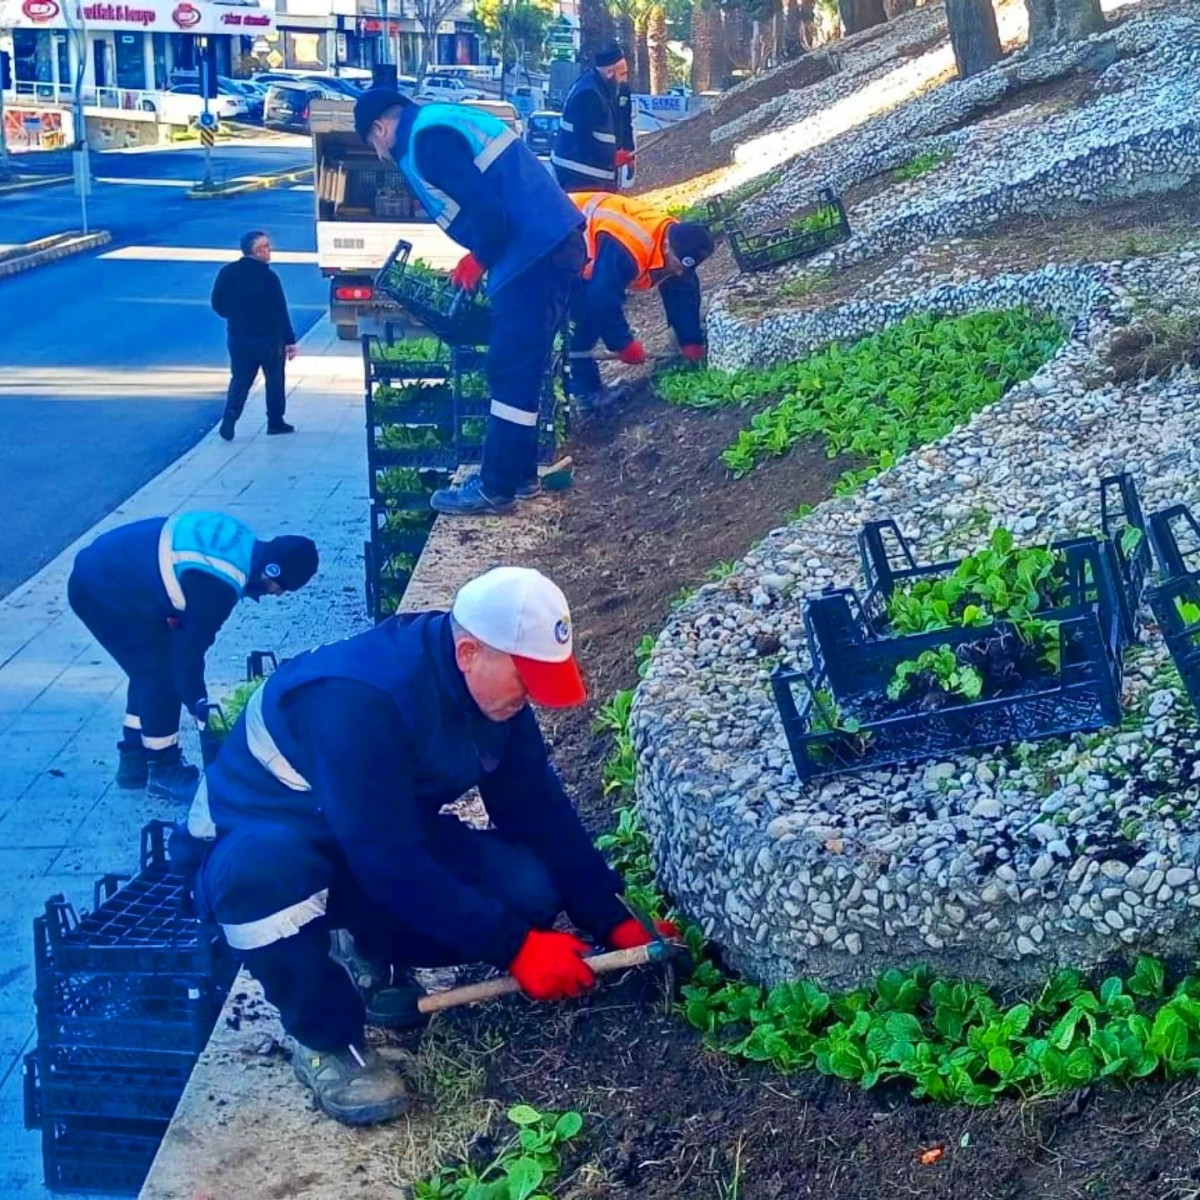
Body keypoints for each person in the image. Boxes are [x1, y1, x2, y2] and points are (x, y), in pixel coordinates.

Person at [191, 566, 675, 1126]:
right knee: (266, 872)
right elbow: (388, 862)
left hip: (370, 837)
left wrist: (611, 917)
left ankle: (361, 940)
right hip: (258, 843)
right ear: (470, 652)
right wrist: (513, 946)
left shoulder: (496, 696)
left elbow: (539, 810)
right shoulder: (360, 700)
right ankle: (326, 1039)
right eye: (526, 679)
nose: (531, 698)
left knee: (530, 890)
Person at [353, 89, 585, 517]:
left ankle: (495, 488)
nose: (380, 153)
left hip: (531, 253)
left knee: (509, 368)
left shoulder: (426, 143)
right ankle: (521, 476)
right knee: (522, 366)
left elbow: (488, 210)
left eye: (373, 144)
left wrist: (478, 258)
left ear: (380, 128)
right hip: (551, 245)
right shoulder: (439, 121)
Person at [67, 513, 318, 804]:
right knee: (159, 675)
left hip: (110, 570)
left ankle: (133, 761)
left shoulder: (243, 544)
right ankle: (164, 767)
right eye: (282, 588)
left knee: (149, 665)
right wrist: (202, 710)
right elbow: (188, 656)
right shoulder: (220, 582)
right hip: (102, 588)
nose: (277, 595)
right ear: (272, 572)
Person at [569, 192, 714, 414]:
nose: (677, 270)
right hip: (557, 233)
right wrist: (624, 344)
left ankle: (583, 389)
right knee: (578, 324)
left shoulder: (679, 243)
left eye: (685, 267)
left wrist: (690, 340)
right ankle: (586, 393)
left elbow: (683, 291)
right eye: (676, 264)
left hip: (583, 242)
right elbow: (601, 300)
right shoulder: (630, 247)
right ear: (666, 245)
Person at [210, 230, 298, 441]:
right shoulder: (269, 277)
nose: (270, 251)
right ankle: (275, 421)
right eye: (266, 247)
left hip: (238, 337)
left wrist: (234, 316)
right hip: (268, 339)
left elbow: (217, 303)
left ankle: (231, 413)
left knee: (240, 379)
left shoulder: (227, 273)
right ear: (257, 251)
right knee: (274, 380)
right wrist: (289, 340)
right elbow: (280, 310)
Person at [551, 43, 634, 194]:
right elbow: (584, 140)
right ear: (609, 72)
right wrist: (611, 158)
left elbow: (623, 122)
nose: (625, 80)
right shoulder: (588, 94)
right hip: (578, 174)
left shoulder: (613, 89)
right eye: (622, 74)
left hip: (599, 172)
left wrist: (628, 151)